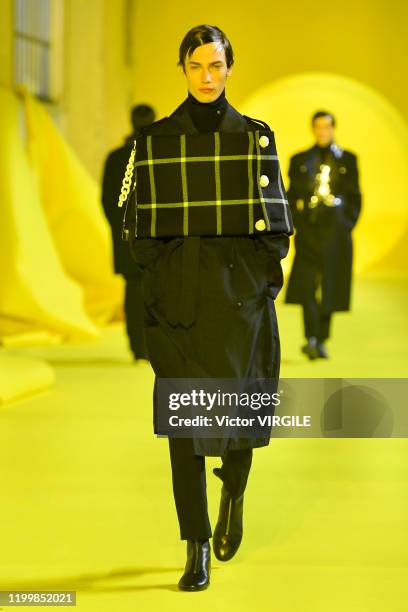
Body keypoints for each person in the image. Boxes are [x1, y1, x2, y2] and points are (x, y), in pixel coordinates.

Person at [121, 25, 293, 591]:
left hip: (239, 296)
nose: (207, 76)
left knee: (240, 412)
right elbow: (136, 224)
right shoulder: (155, 141)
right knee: (185, 425)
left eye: (216, 65)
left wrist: (256, 282)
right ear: (183, 68)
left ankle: (234, 492)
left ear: (228, 69)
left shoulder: (256, 138)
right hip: (179, 299)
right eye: (196, 65)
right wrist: (168, 277)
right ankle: (195, 545)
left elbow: (277, 225)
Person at [284, 111, 362, 359]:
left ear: (333, 128)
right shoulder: (299, 160)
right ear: (313, 129)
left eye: (326, 126)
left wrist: (347, 223)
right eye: (318, 126)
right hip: (309, 229)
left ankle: (321, 338)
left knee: (331, 284)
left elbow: (355, 195)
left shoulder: (347, 159)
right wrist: (296, 223)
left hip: (336, 232)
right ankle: (311, 336)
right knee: (306, 285)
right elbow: (291, 194)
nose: (322, 131)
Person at [101, 105, 156, 363]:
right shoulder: (160, 155)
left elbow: (108, 201)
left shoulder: (116, 158)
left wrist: (122, 229)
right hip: (157, 237)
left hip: (128, 236)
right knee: (155, 291)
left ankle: (138, 347)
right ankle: (150, 345)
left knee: (134, 290)